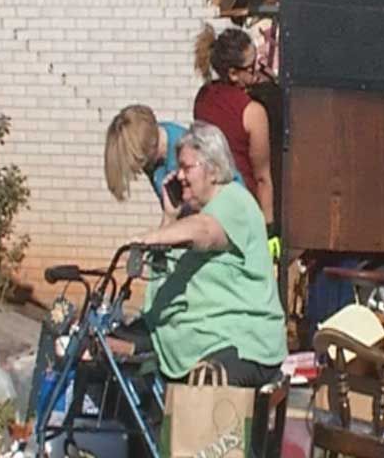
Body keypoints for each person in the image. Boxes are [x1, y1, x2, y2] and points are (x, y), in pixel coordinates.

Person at [125, 122, 287, 386]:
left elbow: (206, 232)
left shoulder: (234, 201)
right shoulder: (193, 212)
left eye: (187, 168)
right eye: (178, 168)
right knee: (107, 349)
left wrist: (149, 238)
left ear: (212, 169)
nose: (178, 176)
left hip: (241, 341)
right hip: (187, 332)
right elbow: (159, 274)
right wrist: (169, 216)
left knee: (206, 380)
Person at [193, 25, 276, 228]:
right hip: (243, 211)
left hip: (210, 208)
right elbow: (262, 178)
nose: (257, 71)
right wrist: (269, 227)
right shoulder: (253, 112)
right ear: (233, 73)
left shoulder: (202, 98)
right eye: (251, 67)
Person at [104, 104, 244, 220]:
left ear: (149, 150)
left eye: (139, 163)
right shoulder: (153, 159)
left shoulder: (187, 150)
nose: (140, 169)